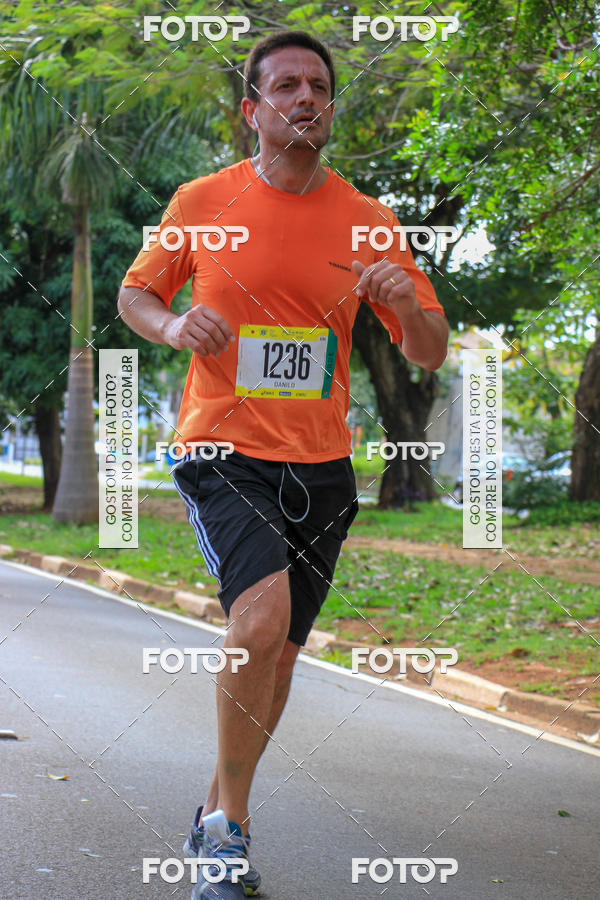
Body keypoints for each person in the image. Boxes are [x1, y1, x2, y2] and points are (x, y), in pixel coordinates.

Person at [118, 29, 448, 900]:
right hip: (222, 446)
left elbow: (429, 350)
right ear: (253, 109)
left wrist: (407, 302)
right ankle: (226, 834)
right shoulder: (202, 200)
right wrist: (171, 327)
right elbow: (137, 292)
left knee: (283, 658)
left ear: (330, 107)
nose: (305, 98)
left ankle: (220, 811)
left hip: (322, 465)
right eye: (287, 86)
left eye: (319, 87)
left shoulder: (368, 218)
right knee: (258, 624)